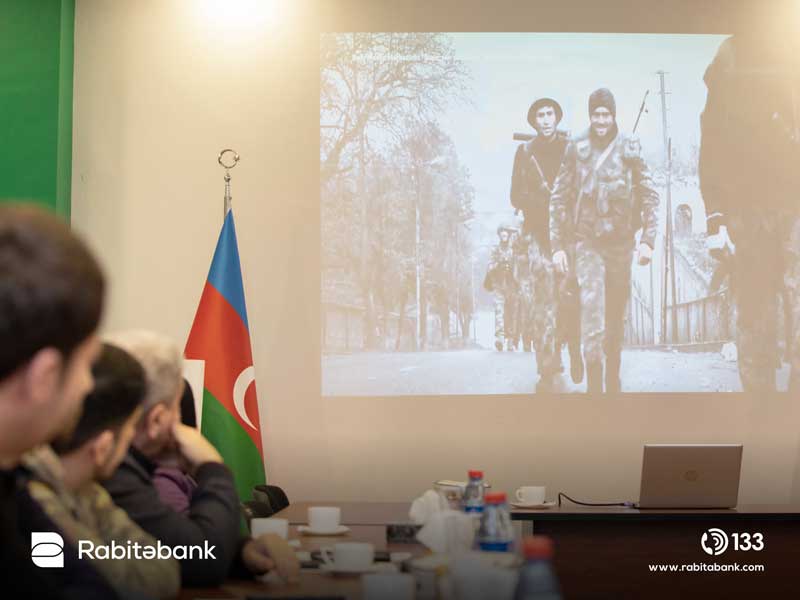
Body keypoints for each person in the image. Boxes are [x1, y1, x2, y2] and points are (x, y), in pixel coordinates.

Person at [102, 330, 298, 587]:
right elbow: (201, 561)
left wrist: (241, 554)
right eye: (177, 406)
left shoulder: (129, 468)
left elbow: (170, 546)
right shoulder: (115, 473)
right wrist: (212, 466)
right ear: (157, 420)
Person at [0, 204, 119, 599]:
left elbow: (74, 577)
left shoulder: (16, 476)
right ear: (45, 376)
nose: (87, 385)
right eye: (86, 364)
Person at [23, 343, 180, 599]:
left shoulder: (89, 492)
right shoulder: (33, 500)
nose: (130, 437)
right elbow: (122, 585)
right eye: (130, 426)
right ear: (103, 448)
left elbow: (162, 568)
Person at [699, 33, 800, 392]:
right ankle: (761, 413)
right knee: (756, 320)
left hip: (793, 205)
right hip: (747, 209)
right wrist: (716, 217)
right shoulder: (731, 53)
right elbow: (712, 142)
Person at [550, 88, 659, 393]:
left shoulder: (629, 146)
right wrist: (557, 246)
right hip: (587, 243)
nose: (601, 120)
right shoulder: (576, 147)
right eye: (596, 114)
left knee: (615, 316)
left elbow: (649, 193)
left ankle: (613, 375)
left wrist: (648, 239)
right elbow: (559, 197)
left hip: (621, 244)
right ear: (590, 115)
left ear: (613, 115)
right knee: (592, 312)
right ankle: (595, 386)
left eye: (606, 114)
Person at [511, 97, 583, 390]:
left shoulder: (571, 149)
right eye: (540, 115)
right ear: (534, 121)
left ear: (557, 117)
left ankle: (574, 348)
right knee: (543, 302)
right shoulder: (524, 153)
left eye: (549, 114)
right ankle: (548, 365)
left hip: (568, 236)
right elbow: (515, 196)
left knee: (571, 297)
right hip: (538, 236)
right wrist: (541, 204)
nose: (545, 120)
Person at [484, 225, 517, 351]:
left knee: (511, 312)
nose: (504, 237)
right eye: (502, 235)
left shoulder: (513, 251)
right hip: (498, 285)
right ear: (499, 236)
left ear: (509, 236)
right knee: (499, 311)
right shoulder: (495, 250)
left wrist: (512, 268)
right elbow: (489, 267)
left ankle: (510, 339)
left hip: (511, 285)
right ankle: (500, 339)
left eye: (506, 235)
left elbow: (518, 267)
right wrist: (498, 265)